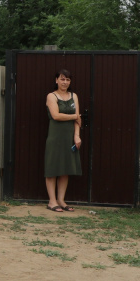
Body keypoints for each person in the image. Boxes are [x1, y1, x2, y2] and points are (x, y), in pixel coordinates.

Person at [44, 69, 82, 212]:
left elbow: (78, 120)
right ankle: (52, 201)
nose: (65, 82)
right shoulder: (51, 96)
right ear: (56, 80)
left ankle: (61, 200)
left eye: (67, 80)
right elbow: (56, 115)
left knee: (65, 169)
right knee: (52, 168)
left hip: (69, 138)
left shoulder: (74, 96)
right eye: (62, 79)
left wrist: (77, 135)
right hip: (55, 137)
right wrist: (74, 116)